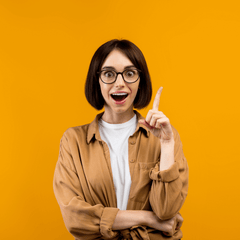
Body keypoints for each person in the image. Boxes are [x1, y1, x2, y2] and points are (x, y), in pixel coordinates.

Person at [53, 39, 188, 240]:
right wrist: (148, 218)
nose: (119, 83)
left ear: (140, 80)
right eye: (109, 74)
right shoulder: (73, 141)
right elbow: (76, 218)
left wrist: (167, 144)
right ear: (96, 80)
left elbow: (166, 211)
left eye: (130, 73)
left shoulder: (165, 136)